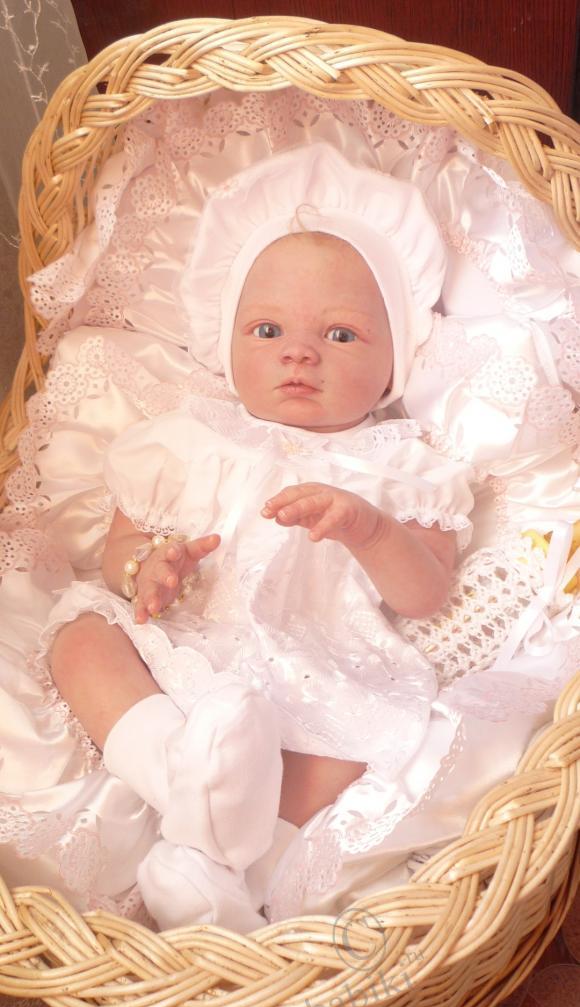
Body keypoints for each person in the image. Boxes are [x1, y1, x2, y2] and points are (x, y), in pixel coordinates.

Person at [46, 142, 474, 932]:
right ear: (227, 343)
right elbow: (118, 549)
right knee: (78, 638)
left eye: (341, 334)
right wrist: (146, 567)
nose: (299, 352)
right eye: (268, 328)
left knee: (360, 743)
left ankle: (225, 862)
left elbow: (427, 592)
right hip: (181, 651)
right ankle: (181, 779)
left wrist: (370, 528)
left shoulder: (398, 466)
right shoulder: (186, 438)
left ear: (394, 360)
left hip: (314, 669)